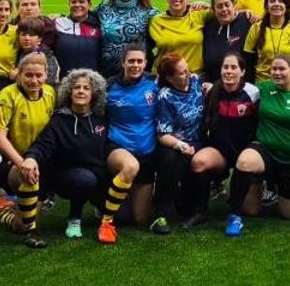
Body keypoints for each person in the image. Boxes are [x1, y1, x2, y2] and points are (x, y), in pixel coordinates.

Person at [225, 54, 290, 235]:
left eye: (282, 69)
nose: (277, 73)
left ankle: (280, 190)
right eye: (273, 69)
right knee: (245, 166)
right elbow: (237, 88)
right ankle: (234, 216)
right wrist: (211, 86)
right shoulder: (263, 89)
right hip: (265, 151)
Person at [21, 70, 111, 240]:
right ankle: (74, 217)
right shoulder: (59, 120)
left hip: (99, 177)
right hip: (68, 176)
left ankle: (98, 204)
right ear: (69, 91)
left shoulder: (101, 119)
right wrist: (31, 157)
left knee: (124, 217)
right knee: (85, 179)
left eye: (86, 88)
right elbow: (43, 144)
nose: (81, 91)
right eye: (77, 87)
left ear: (94, 93)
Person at [0, 53, 57, 248]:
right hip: (12, 163)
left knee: (19, 225)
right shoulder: (8, 94)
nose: (34, 80)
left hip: (40, 160)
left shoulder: (50, 93)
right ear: (19, 75)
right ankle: (33, 234)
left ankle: (0, 214)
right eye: (28, 75)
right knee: (29, 175)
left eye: (38, 75)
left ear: (46, 75)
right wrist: (21, 162)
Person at [96, 42, 158, 244]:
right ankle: (106, 222)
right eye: (131, 61)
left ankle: (117, 196)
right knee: (130, 166)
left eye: (140, 61)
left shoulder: (154, 83)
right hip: (118, 148)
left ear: (146, 63)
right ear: (123, 62)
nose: (135, 65)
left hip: (147, 154)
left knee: (139, 219)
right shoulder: (109, 87)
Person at [193, 53, 262, 228]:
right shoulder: (212, 91)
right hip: (221, 152)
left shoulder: (253, 93)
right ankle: (200, 211)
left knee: (251, 210)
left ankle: (234, 215)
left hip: (245, 151)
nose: (229, 71)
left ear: (242, 71)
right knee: (199, 161)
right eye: (226, 67)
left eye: (233, 67)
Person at [148, 53, 204, 234]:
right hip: (174, 143)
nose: (187, 74)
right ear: (170, 78)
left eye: (187, 69)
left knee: (186, 208)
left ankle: (197, 207)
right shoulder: (165, 96)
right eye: (181, 73)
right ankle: (160, 212)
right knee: (171, 158)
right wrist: (181, 146)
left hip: (198, 140)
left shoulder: (196, 81)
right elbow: (162, 135)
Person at [96, 0, 158, 78]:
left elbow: (170, 21)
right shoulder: (104, 7)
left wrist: (191, 8)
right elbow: (84, 18)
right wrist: (59, 17)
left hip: (138, 75)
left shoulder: (149, 12)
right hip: (107, 73)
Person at [150, 0, 211, 76]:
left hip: (194, 76)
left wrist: (206, 5)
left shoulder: (199, 15)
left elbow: (223, 13)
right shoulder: (156, 21)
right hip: (165, 76)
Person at [52, 0, 105, 75]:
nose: (77, 5)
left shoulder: (100, 25)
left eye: (81, 2)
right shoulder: (58, 23)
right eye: (74, 2)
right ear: (69, 4)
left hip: (91, 83)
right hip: (65, 83)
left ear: (89, 5)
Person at [202, 0, 253, 79]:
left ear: (233, 5)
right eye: (219, 6)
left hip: (241, 86)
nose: (224, 9)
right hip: (214, 86)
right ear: (213, 9)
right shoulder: (207, 25)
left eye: (227, 5)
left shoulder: (247, 21)